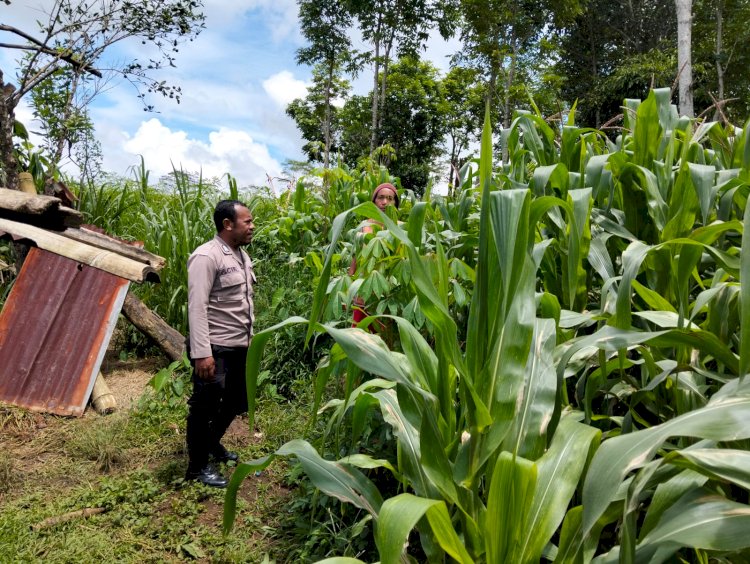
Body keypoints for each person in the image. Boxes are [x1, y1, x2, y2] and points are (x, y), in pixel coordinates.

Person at [185, 200, 256, 488]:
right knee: (205, 406)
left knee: (237, 402)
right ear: (228, 225)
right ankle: (197, 467)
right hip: (215, 347)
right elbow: (197, 307)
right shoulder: (206, 256)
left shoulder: (242, 256)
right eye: (247, 222)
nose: (252, 227)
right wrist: (202, 354)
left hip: (240, 345)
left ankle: (211, 444)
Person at [349, 183, 400, 327]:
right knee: (359, 336)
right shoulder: (364, 226)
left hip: (390, 295)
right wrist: (348, 290)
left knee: (385, 340)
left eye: (390, 199)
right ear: (374, 201)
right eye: (381, 198)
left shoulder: (400, 228)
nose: (385, 202)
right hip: (364, 293)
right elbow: (355, 259)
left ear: (395, 203)